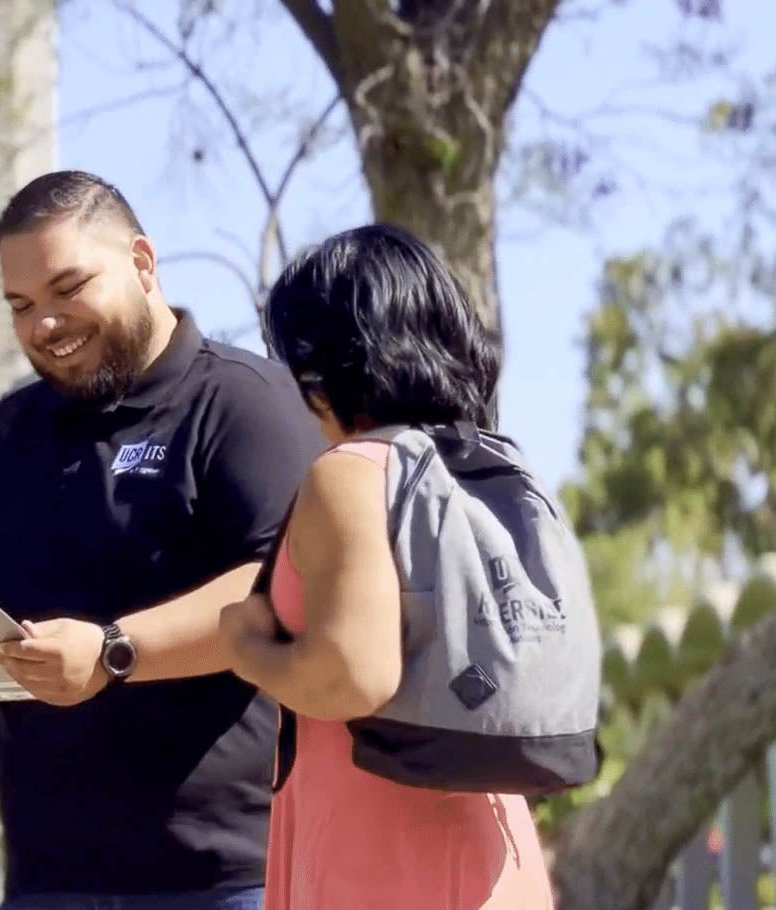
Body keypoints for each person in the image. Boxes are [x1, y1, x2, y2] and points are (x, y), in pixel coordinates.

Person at [0, 170, 323, 909]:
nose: (45, 323)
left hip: (224, 877)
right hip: (46, 878)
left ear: (141, 263)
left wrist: (112, 652)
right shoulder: (12, 430)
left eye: (69, 289)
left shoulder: (243, 402)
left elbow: (283, 585)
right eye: (22, 305)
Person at [218, 224, 554, 908]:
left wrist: (247, 649)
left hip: (378, 857)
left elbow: (352, 675)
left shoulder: (353, 475)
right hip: (492, 846)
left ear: (330, 362)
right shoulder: (496, 473)